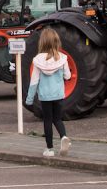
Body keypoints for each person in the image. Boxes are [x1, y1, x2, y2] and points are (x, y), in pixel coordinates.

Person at [25, 27, 72, 157]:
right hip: (58, 95)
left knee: (47, 120)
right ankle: (63, 137)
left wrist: (29, 99)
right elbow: (68, 76)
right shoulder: (62, 58)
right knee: (57, 118)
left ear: (42, 42)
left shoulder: (38, 60)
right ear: (56, 42)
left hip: (45, 97)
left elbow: (34, 81)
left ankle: (50, 149)